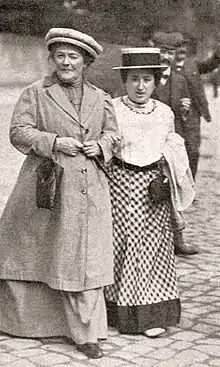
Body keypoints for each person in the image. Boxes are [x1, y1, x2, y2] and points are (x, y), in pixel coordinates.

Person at [0, 28, 119, 359]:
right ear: (52, 59)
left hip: (89, 190)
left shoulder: (101, 98)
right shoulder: (36, 92)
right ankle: (29, 324)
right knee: (39, 249)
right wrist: (54, 142)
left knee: (82, 256)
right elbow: (18, 132)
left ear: (85, 62)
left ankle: (86, 332)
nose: (66, 62)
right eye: (59, 55)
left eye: (73, 56)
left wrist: (101, 145)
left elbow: (115, 137)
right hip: (46, 185)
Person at [105, 47, 195, 338]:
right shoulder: (113, 109)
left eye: (146, 79)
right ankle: (117, 311)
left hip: (153, 188)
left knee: (153, 248)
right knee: (125, 245)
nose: (140, 86)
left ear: (156, 82)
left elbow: (172, 148)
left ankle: (150, 313)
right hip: (119, 183)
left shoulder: (164, 113)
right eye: (134, 79)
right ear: (125, 81)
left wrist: (168, 167)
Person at [151, 31, 198, 257]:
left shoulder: (180, 80)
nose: (166, 57)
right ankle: (151, 241)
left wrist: (185, 110)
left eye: (170, 53)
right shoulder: (145, 75)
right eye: (162, 52)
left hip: (171, 141)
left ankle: (178, 238)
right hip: (148, 141)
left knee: (175, 189)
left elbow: (182, 116)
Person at [173, 37, 220, 179]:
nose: (181, 50)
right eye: (177, 47)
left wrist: (218, 52)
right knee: (174, 151)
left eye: (184, 46)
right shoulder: (167, 67)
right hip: (173, 114)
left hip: (192, 115)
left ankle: (190, 183)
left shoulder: (193, 65)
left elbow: (211, 64)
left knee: (192, 150)